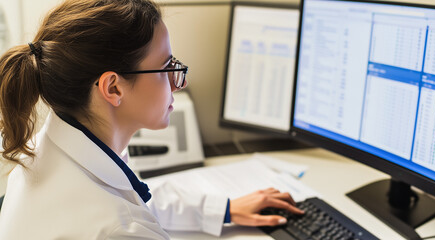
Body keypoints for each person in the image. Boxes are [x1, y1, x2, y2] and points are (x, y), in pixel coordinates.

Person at [0, 0, 303, 239]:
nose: (179, 82)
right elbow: (124, 216)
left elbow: (137, 196)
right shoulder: (117, 229)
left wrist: (223, 209)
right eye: (167, 66)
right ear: (113, 88)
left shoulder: (53, 144)